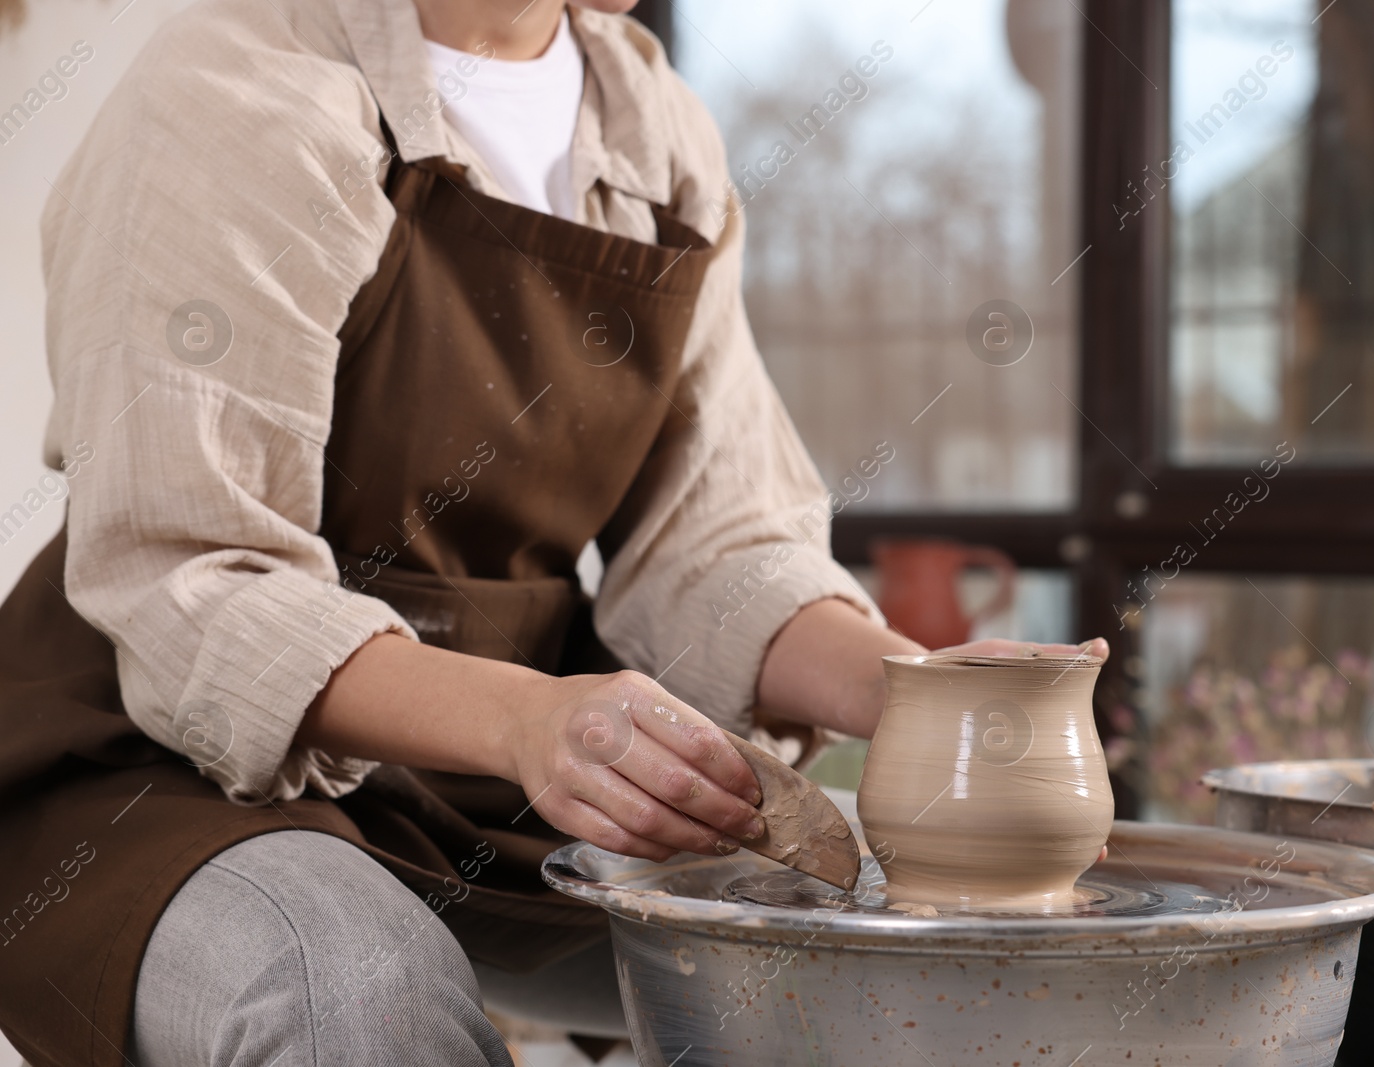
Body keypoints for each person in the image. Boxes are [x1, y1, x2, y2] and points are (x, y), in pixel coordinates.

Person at [0, 0, 1107, 1062]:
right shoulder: (238, 90)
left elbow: (713, 541)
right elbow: (188, 576)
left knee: (883, 972)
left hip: (499, 779)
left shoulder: (650, 123)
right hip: (158, 765)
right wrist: (529, 720)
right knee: (354, 983)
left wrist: (915, 693)